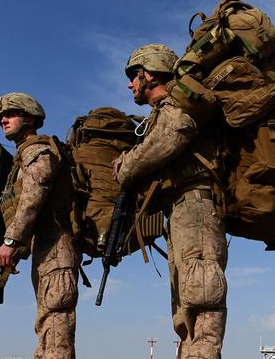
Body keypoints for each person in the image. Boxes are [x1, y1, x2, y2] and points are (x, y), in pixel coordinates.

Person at [112, 44, 227, 359]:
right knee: (185, 304)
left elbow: (174, 132)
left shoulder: (176, 107)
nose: (130, 84)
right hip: (179, 210)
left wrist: (128, 164)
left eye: (134, 76)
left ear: (149, 74)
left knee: (202, 293)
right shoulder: (159, 112)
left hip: (197, 206)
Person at [0, 92, 81, 359]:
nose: (3, 120)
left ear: (29, 117)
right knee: (47, 326)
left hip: (57, 247)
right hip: (45, 248)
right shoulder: (23, 155)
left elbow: (34, 197)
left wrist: (11, 241)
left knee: (55, 327)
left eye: (9, 114)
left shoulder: (37, 150)